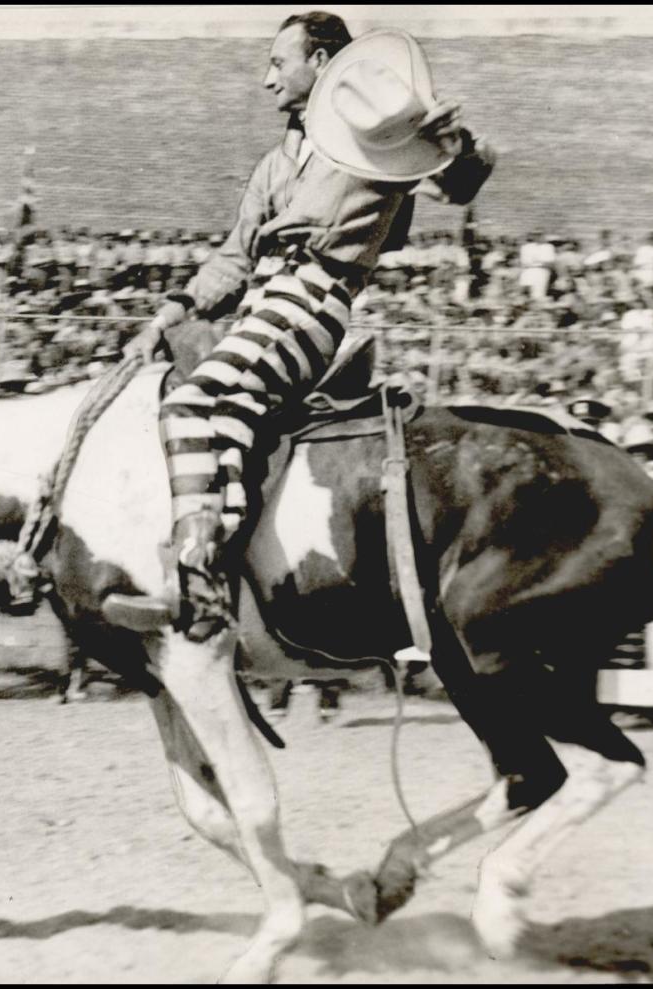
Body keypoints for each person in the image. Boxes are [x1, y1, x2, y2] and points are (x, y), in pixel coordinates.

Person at [114, 14, 496, 640]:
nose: (267, 81)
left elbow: (458, 184)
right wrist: (169, 314)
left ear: (320, 65)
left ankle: (193, 575)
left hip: (312, 300)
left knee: (189, 404)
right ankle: (216, 573)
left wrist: (461, 144)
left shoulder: (374, 142)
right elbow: (234, 257)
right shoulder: (274, 163)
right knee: (229, 421)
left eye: (277, 64)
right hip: (263, 305)